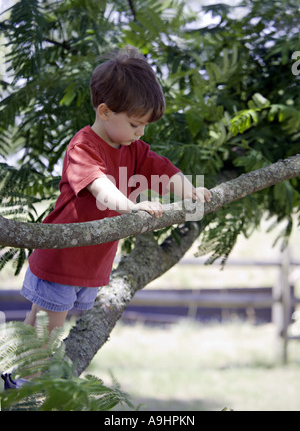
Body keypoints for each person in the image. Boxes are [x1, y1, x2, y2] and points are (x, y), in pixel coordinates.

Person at [2, 46, 211, 388]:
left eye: (143, 126)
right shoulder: (83, 146)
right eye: (134, 124)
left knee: (55, 326)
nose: (140, 133)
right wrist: (132, 207)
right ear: (104, 110)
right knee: (44, 331)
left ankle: (25, 381)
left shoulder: (132, 147)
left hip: (92, 263)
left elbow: (163, 170)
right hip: (62, 259)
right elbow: (101, 186)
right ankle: (19, 386)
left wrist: (193, 192)